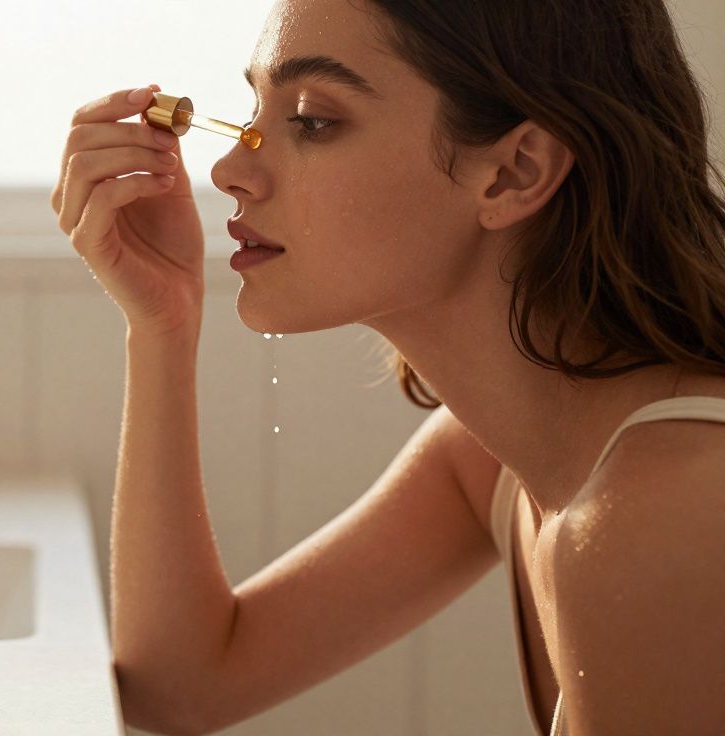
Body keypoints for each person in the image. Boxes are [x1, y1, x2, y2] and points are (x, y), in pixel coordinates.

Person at [50, 0, 725, 733]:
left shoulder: (661, 516)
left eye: (311, 121)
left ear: (514, 172)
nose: (228, 171)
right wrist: (163, 325)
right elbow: (178, 686)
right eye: (255, 110)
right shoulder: (499, 459)